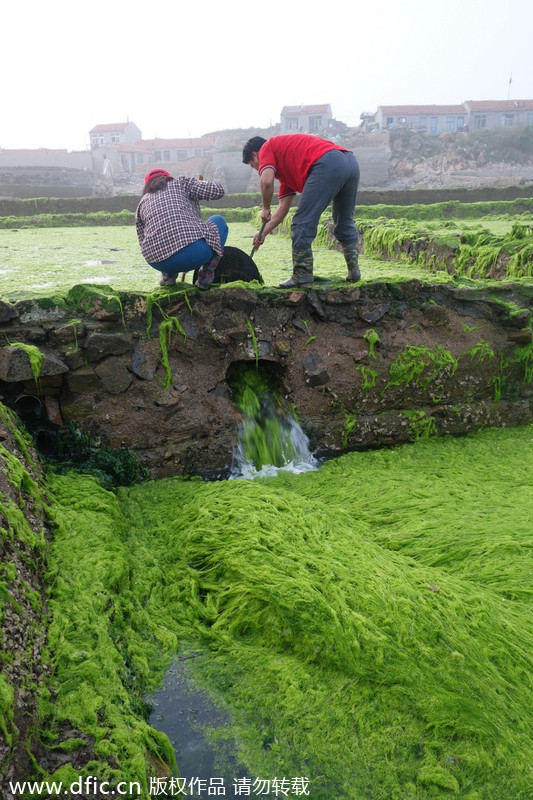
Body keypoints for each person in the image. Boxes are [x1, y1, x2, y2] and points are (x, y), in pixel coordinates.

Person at [242, 134, 360, 288]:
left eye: (253, 165)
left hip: (328, 163)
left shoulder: (266, 147)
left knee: (301, 223)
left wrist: (265, 208)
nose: (258, 169)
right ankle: (354, 272)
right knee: (344, 222)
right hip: (350, 161)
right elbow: (283, 207)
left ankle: (302, 275)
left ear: (255, 155)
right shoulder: (287, 171)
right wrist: (263, 233)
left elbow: (266, 181)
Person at [135, 168, 228, 289]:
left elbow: (143, 242)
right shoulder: (181, 183)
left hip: (157, 263)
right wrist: (199, 185)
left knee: (164, 236)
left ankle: (168, 277)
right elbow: (219, 190)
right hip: (193, 254)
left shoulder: (141, 204)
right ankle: (205, 279)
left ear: (147, 185)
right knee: (218, 220)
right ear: (168, 178)